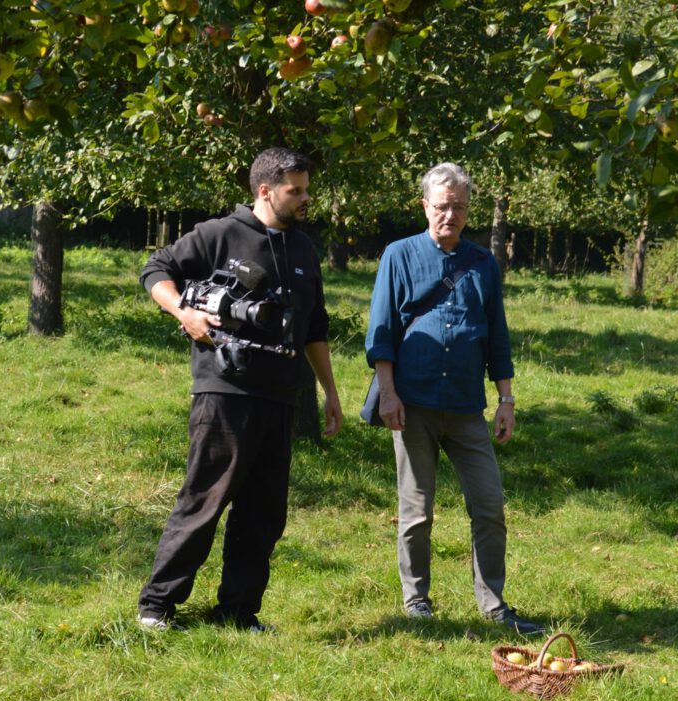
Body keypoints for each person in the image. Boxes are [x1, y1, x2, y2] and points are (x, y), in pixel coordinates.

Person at [137, 147, 342, 632]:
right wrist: (184, 313)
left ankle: (237, 611)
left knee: (264, 513)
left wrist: (331, 393)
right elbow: (155, 269)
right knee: (205, 499)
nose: (306, 198)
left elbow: (315, 326)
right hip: (224, 391)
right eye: (297, 190)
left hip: (280, 396)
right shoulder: (219, 234)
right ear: (266, 190)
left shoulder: (304, 248)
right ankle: (157, 607)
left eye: (307, 188)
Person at [365, 162, 544, 635]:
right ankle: (416, 601)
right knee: (416, 512)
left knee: (489, 506)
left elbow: (497, 337)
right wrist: (387, 394)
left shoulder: (483, 263)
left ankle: (493, 605)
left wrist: (505, 400)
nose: (450, 215)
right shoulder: (398, 255)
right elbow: (381, 330)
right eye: (442, 207)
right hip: (412, 405)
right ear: (425, 206)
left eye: (459, 207)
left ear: (469, 210)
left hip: (468, 409)